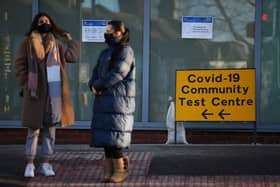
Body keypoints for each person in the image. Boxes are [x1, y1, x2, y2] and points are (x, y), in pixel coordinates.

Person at [14, 12, 80, 178]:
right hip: (35, 92)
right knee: (33, 130)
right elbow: (19, 64)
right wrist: (26, 82)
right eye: (41, 21)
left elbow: (72, 57)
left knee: (50, 131)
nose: (44, 22)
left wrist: (69, 40)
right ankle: (30, 164)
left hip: (53, 92)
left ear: (51, 24)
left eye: (47, 21)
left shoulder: (57, 45)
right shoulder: (27, 42)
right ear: (36, 24)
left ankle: (45, 163)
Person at [88, 20, 135, 183]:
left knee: (116, 139)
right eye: (105, 30)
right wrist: (92, 85)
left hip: (118, 101)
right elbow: (95, 71)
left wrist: (99, 85)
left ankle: (121, 170)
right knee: (106, 139)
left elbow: (119, 72)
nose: (106, 33)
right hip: (103, 100)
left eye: (109, 30)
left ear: (118, 33)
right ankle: (109, 171)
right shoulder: (105, 53)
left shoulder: (126, 51)